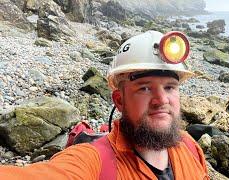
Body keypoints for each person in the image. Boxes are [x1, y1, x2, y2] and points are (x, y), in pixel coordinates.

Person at [0, 31, 209, 180]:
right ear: (119, 100)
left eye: (170, 87)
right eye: (144, 88)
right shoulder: (93, 162)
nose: (162, 100)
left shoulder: (189, 146)